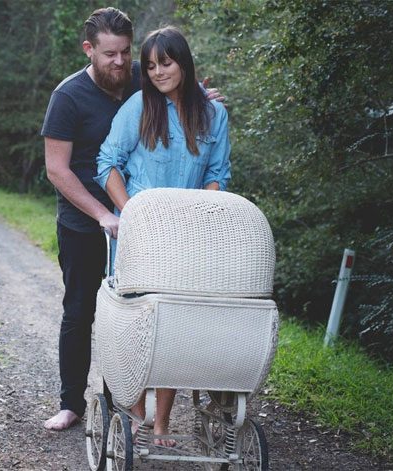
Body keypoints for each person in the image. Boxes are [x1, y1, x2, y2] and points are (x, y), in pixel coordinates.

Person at [41, 8, 223, 431]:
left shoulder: (143, 74)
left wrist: (205, 100)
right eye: (110, 54)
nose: (121, 62)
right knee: (82, 309)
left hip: (148, 225)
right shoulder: (67, 97)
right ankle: (71, 403)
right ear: (89, 50)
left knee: (137, 313)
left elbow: (180, 87)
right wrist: (106, 214)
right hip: (86, 219)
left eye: (125, 52)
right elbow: (57, 169)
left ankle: (121, 404)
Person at [94, 26, 231, 445]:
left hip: (187, 237)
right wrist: (129, 212)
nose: (157, 73)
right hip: (139, 235)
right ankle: (136, 415)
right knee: (138, 325)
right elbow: (106, 163)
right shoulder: (138, 107)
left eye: (165, 63)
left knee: (174, 329)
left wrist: (203, 214)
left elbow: (217, 175)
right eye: (150, 65)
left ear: (184, 64)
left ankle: (161, 424)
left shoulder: (213, 115)